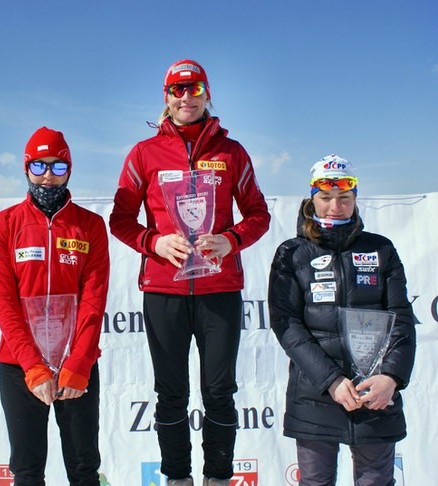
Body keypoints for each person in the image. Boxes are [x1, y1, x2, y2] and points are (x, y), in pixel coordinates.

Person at [109, 59, 271, 486]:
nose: (186, 97)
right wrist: (155, 243)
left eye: (194, 88)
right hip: (164, 290)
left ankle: (218, 477)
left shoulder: (231, 152)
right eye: (177, 90)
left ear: (207, 93)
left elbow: (258, 214)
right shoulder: (144, 153)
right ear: (166, 97)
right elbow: (120, 220)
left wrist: (231, 240)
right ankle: (178, 478)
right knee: (171, 393)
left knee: (219, 391)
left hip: (219, 289)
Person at [267, 154, 417, 486]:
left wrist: (391, 377)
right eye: (326, 197)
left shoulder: (380, 249)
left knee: (376, 482)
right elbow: (287, 325)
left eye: (344, 197)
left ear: (355, 198)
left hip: (374, 393)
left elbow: (402, 318)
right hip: (316, 394)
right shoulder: (292, 253)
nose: (335, 206)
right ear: (312, 200)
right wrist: (331, 380)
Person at [0, 127, 110, 486]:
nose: (48, 175)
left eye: (58, 166)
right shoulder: (5, 224)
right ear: (26, 168)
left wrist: (79, 363)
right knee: (27, 471)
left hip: (76, 365)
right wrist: (33, 367)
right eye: (39, 166)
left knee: (84, 469)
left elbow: (94, 301)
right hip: (20, 365)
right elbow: (4, 303)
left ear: (70, 170)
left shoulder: (90, 226)